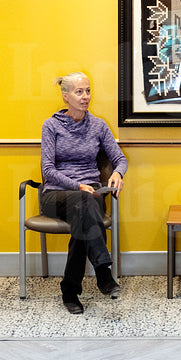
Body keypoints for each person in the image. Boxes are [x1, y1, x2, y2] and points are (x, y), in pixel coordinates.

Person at [40, 71, 127, 314]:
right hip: (57, 195)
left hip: (89, 198)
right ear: (65, 96)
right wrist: (76, 185)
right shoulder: (51, 126)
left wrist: (118, 173)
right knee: (84, 203)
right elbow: (47, 170)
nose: (85, 96)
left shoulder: (98, 126)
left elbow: (120, 159)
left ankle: (70, 290)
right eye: (79, 92)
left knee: (84, 214)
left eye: (88, 91)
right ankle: (103, 273)